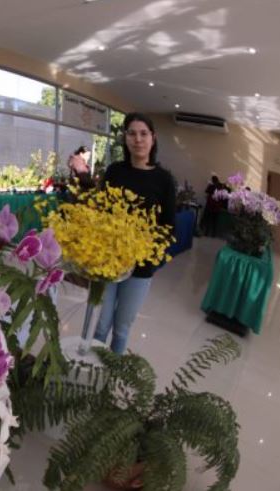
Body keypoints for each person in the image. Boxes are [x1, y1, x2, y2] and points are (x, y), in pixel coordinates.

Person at [93, 113, 176, 354]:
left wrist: (151, 257)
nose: (137, 139)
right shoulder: (114, 171)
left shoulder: (164, 180)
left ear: (153, 139)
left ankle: (109, 379)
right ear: (125, 139)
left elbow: (168, 227)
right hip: (109, 261)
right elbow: (100, 213)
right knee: (101, 324)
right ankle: (90, 381)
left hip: (141, 267)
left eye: (143, 133)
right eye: (131, 133)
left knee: (121, 328)